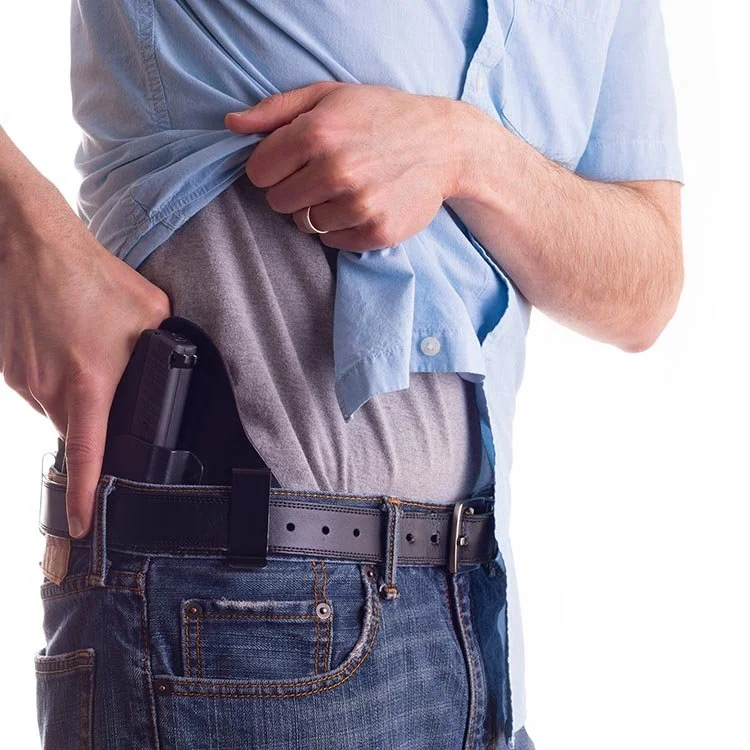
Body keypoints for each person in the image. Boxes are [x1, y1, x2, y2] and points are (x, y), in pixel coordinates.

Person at [0, 0, 683, 747]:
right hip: (237, 606)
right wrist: (22, 238)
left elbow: (647, 288)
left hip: (478, 620)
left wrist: (465, 152)